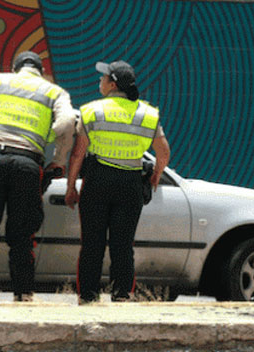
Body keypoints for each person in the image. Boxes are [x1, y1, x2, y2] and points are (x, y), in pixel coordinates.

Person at [0, 51, 76, 302]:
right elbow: (66, 123)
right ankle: (23, 297)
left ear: (15, 66)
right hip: (28, 166)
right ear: (40, 71)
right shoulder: (54, 92)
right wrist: (57, 156)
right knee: (22, 237)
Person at [64, 59, 171, 304]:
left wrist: (71, 187)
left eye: (103, 78)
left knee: (92, 243)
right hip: (130, 184)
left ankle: (88, 297)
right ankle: (122, 295)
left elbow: (78, 154)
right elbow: (163, 153)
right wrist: (155, 176)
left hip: (97, 181)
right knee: (123, 245)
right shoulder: (148, 114)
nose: (99, 82)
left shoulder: (91, 111)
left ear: (112, 84)